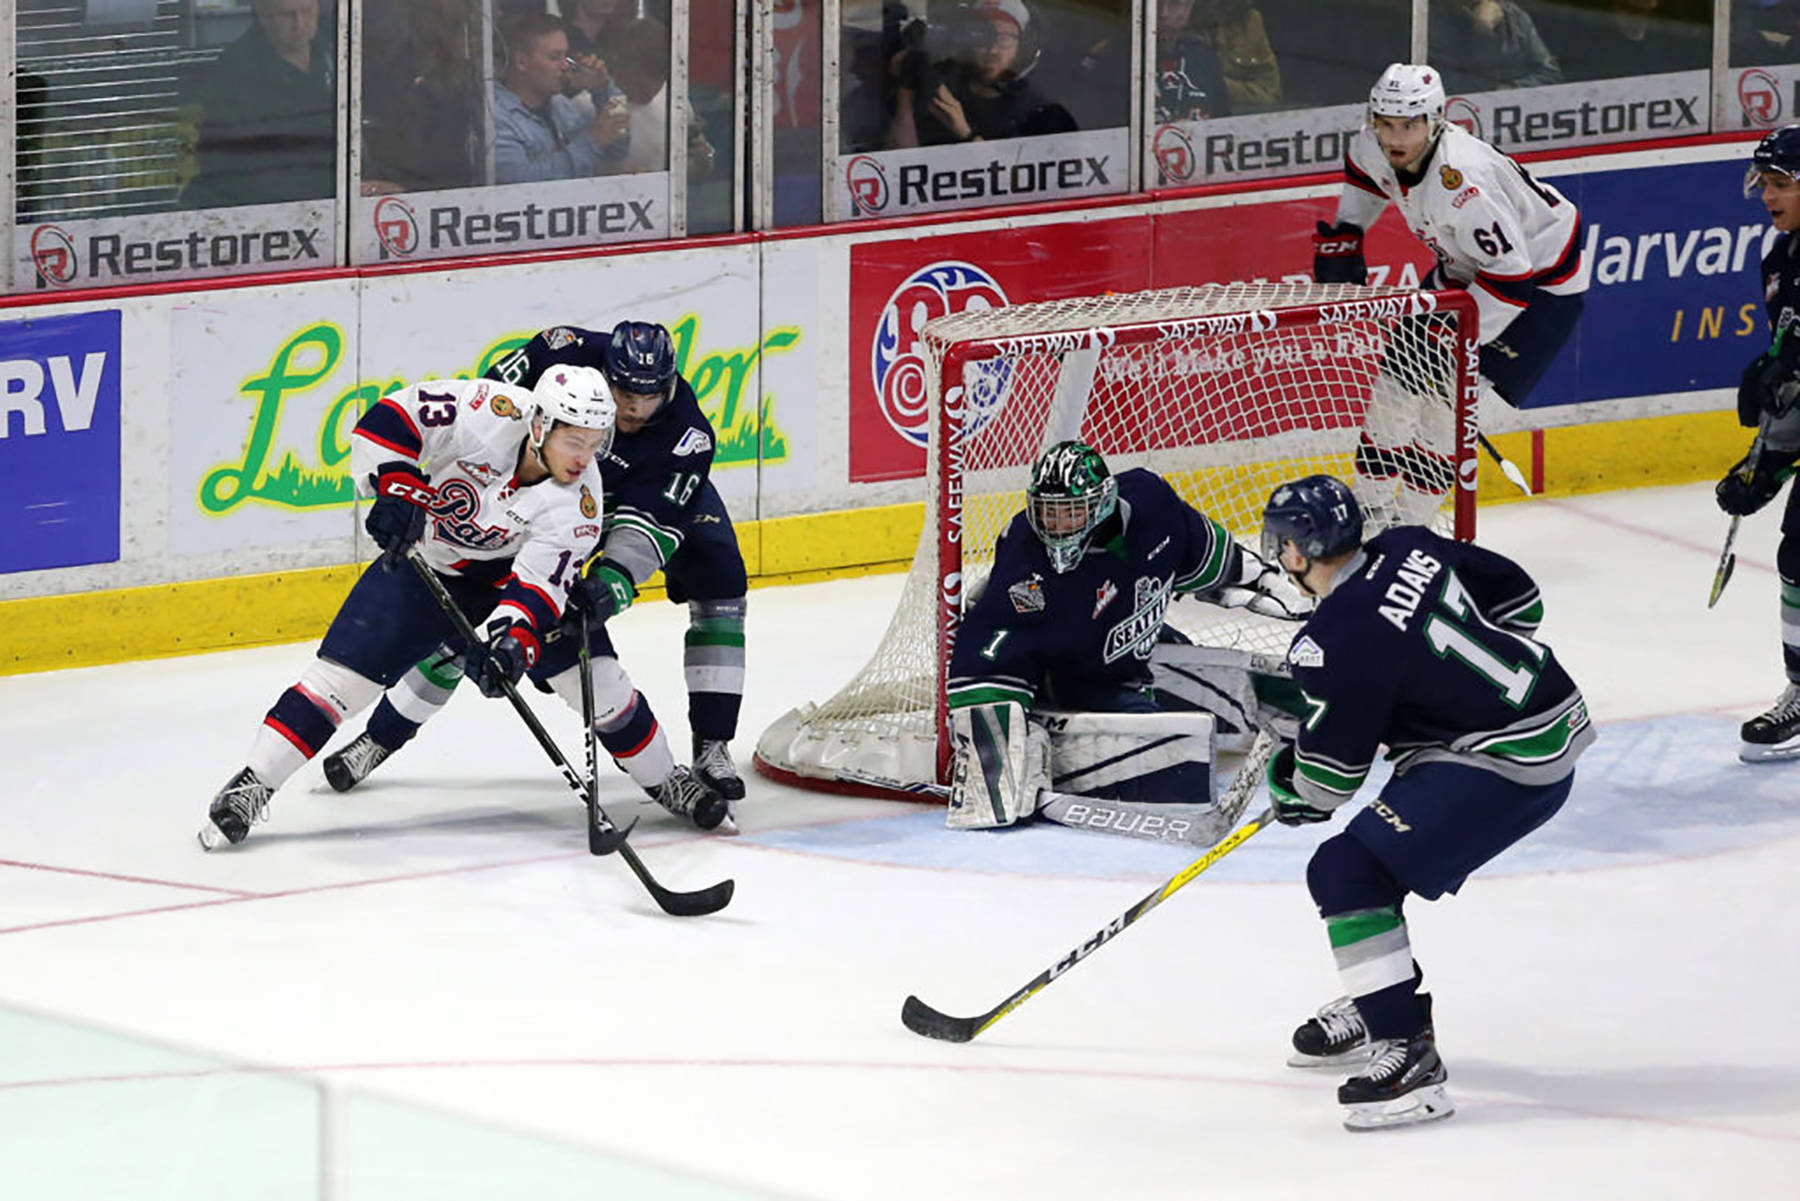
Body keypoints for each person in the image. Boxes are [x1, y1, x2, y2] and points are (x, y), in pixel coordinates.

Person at [1259, 473, 1594, 1131]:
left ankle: (1409, 1057)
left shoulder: (1331, 640)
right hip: (1551, 714)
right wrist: (1440, 684)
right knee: (1381, 857)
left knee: (1346, 871)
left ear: (1297, 553)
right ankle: (1377, 993)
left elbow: (1327, 783)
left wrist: (1287, 783)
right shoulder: (1412, 545)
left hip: (1502, 763)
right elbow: (1521, 601)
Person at [321, 321, 750, 819]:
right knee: (465, 627)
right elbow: (486, 411)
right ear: (604, 372)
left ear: (670, 384)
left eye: (648, 397)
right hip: (541, 500)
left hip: (624, 506)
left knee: (721, 580)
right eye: (624, 393)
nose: (634, 408)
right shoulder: (558, 356)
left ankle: (710, 749)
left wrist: (611, 581)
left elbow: (653, 522)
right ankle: (379, 739)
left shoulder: (687, 436)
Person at [200, 367, 621, 849]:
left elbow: (541, 587)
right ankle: (253, 786)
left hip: (502, 581)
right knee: (339, 684)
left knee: (581, 680)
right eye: (576, 441)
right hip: (431, 562)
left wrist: (512, 646)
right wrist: (395, 486)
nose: (586, 457)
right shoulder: (488, 412)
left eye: (596, 443)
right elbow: (392, 418)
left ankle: (378, 743)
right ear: (541, 425)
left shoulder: (581, 501)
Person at [942, 441, 1308, 839]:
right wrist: (995, 750)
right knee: (1181, 755)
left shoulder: (1152, 505)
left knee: (1287, 691)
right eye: (1048, 513)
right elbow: (985, 655)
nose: (1057, 526)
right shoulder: (1027, 568)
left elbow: (1205, 552)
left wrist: (1263, 581)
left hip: (1136, 653)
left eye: (1071, 512)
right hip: (1079, 682)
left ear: (1102, 504)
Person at [1312, 63, 1587, 526]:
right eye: (1386, 123)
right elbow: (1364, 177)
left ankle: (1411, 526)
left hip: (1539, 290)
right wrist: (1348, 233)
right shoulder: (1370, 144)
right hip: (1464, 271)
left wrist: (1457, 345)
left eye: (1410, 124)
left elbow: (1512, 279)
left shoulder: (1463, 182)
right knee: (1393, 391)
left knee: (1444, 413)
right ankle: (1366, 509)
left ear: (1436, 119)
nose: (1395, 137)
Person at [1717, 125, 1800, 764]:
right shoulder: (1780, 261)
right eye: (1764, 185)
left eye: (1781, 184)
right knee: (1799, 552)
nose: (1768, 197)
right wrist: (1766, 461)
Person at [182, 0, 336, 209]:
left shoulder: (336, 51)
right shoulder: (235, 74)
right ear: (263, 17)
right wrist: (334, 188)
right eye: (287, 15)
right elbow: (240, 169)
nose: (300, 23)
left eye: (307, 11)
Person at [886, 0, 1072, 148]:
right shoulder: (941, 88)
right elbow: (899, 163)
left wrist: (965, 133)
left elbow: (1024, 182)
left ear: (1023, 48)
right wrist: (907, 84)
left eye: (1005, 39)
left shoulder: (1040, 111)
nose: (992, 49)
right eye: (981, 36)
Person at [360, 0, 483, 195]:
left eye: (454, 22)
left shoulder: (470, 79)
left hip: (450, 196)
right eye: (432, 15)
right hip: (394, 195)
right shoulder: (387, 70)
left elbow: (459, 169)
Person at [492, 11, 630, 184]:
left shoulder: (561, 106)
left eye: (566, 56)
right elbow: (520, 182)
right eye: (554, 57)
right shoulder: (496, 117)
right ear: (521, 62)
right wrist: (591, 141)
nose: (565, 65)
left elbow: (618, 150)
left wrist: (603, 89)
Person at [1427, 0, 1562, 94]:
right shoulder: (1429, 23)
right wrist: (1482, 30)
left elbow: (1550, 75)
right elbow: (1441, 85)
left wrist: (1508, 90)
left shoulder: (1514, 17)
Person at [1193, 0, 1280, 109]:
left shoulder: (1250, 21)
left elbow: (1269, 93)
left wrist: (1220, 85)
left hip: (1238, 117)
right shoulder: (1174, 15)